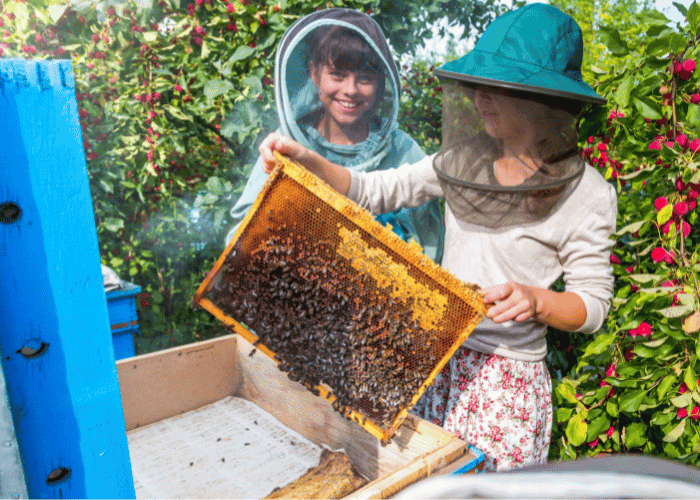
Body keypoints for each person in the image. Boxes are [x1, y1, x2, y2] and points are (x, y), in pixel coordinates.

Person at [257, 3, 617, 471]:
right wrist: (309, 161)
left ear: (541, 101)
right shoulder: (464, 158)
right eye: (478, 85)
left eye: (497, 88)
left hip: (505, 382)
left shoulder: (588, 194)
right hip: (435, 357)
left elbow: (593, 305)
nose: (479, 98)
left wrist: (537, 300)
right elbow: (375, 190)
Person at [225, 8, 444, 264]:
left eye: (364, 78)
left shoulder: (402, 150)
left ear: (380, 83)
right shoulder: (287, 145)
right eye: (338, 75)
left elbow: (432, 243)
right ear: (315, 74)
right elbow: (243, 233)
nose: (350, 90)